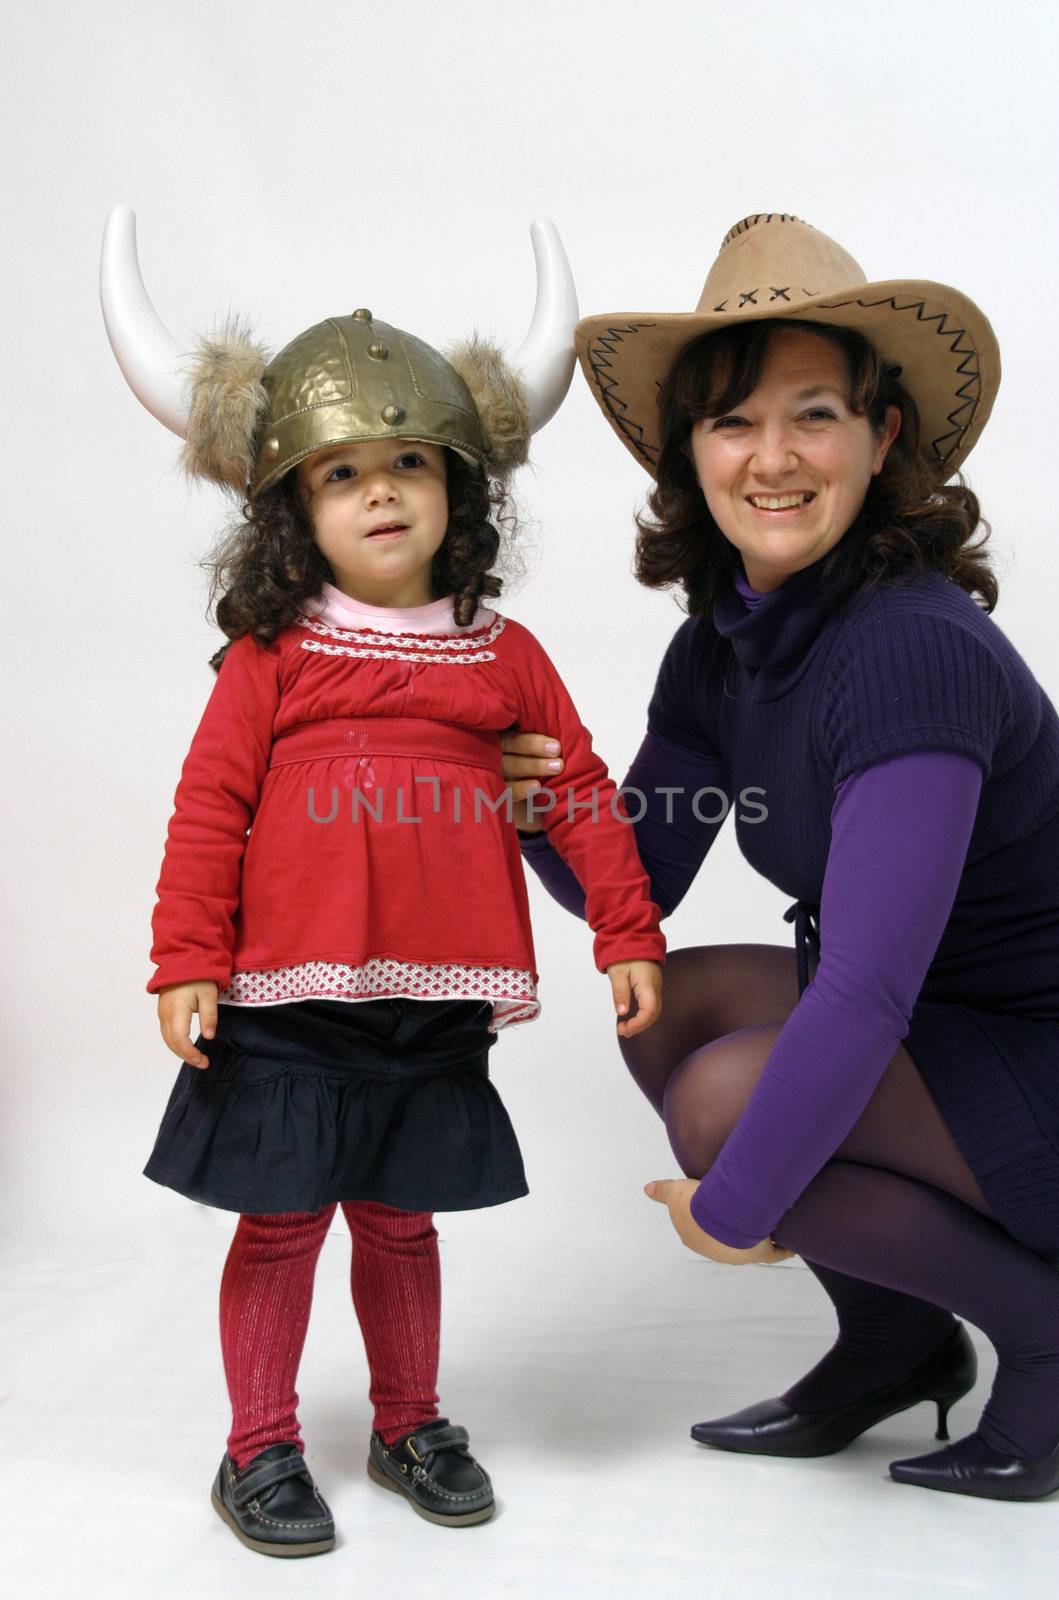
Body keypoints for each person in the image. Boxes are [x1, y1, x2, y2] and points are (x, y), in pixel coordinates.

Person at [100, 207, 665, 1555]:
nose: (381, 491)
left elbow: (576, 786)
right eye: (340, 472)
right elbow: (210, 806)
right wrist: (185, 956)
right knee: (284, 1222)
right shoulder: (272, 657)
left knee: (402, 1223)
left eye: (409, 460)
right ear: (294, 507)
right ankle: (260, 1449)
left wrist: (626, 931)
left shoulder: (501, 650)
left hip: (435, 999)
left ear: (459, 484)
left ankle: (409, 1420)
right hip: (287, 1000)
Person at [504, 212, 1059, 1502]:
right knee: (673, 997)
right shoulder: (726, 640)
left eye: (812, 415)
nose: (771, 458)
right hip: (953, 1028)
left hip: (1044, 1056)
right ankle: (892, 1336)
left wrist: (740, 1200)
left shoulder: (910, 651)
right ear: (687, 455)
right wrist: (531, 803)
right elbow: (625, 894)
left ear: (883, 438)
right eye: (730, 422)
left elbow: (864, 990)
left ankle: (1047, 1342)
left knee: (727, 1105)